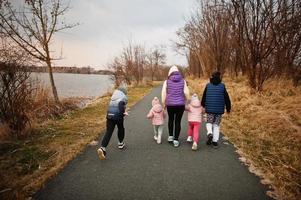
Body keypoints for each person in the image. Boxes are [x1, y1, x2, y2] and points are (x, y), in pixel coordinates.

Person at [201, 71, 231, 148]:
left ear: (212, 77)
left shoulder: (208, 85)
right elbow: (226, 98)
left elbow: (204, 96)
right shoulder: (222, 86)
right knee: (216, 125)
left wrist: (203, 105)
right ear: (219, 77)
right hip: (219, 109)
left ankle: (210, 133)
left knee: (209, 122)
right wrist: (228, 108)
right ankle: (215, 142)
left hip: (210, 109)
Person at [161, 65, 190, 147]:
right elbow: (187, 92)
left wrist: (163, 103)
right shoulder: (183, 81)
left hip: (170, 104)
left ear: (169, 73)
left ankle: (170, 136)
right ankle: (176, 140)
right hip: (180, 105)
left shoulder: (166, 81)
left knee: (171, 119)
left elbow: (164, 93)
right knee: (178, 121)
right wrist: (188, 100)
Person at [97, 85, 128, 160]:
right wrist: (124, 112)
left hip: (109, 116)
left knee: (109, 131)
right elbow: (121, 105)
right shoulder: (123, 97)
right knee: (121, 128)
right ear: (124, 92)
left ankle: (103, 148)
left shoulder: (113, 97)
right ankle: (120, 143)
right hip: (117, 116)